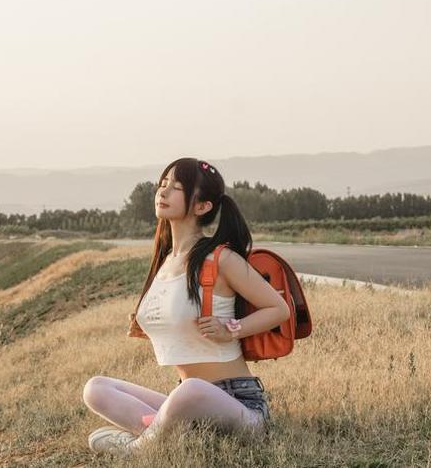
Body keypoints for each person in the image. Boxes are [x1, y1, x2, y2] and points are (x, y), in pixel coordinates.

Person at [82, 157, 291, 456]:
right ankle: (172, 434)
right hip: (187, 403)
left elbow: (279, 309)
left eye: (176, 187)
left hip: (238, 405)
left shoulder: (221, 260)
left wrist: (232, 329)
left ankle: (140, 448)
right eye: (162, 184)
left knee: (191, 390)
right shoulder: (164, 261)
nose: (163, 193)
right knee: (96, 388)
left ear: (202, 206)